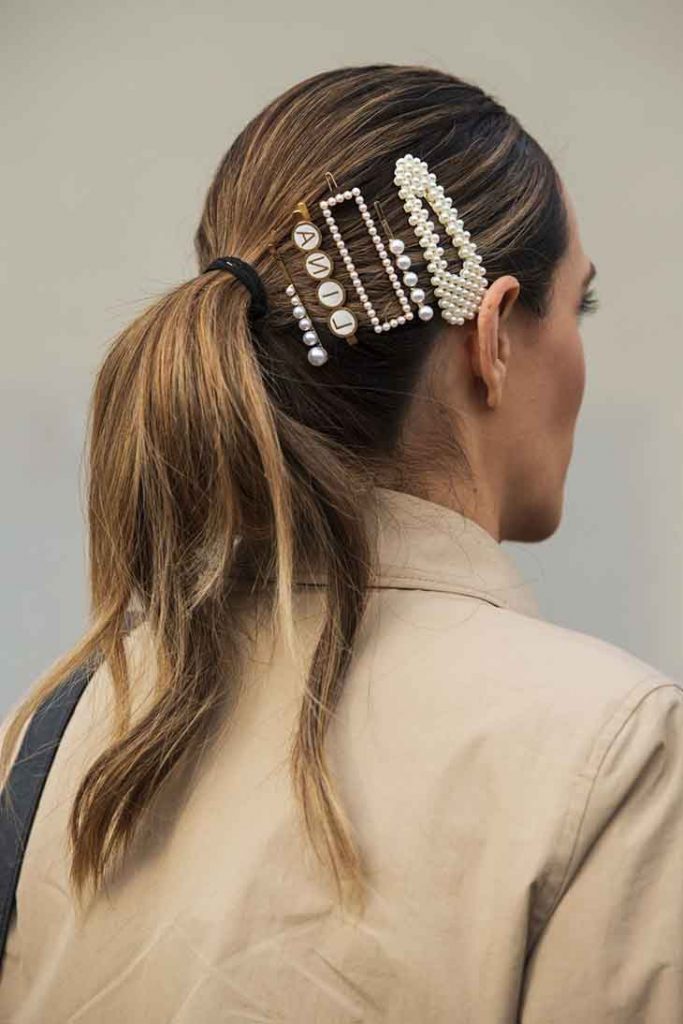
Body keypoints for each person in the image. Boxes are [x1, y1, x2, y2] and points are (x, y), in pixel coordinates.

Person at [0, 63, 681, 1023]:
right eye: (580, 306)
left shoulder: (65, 731)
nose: (580, 353)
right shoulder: (612, 747)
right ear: (491, 336)